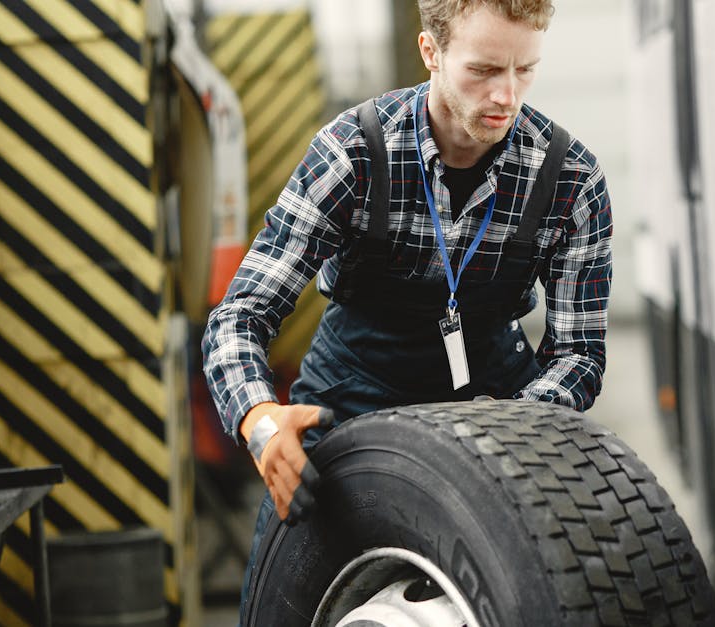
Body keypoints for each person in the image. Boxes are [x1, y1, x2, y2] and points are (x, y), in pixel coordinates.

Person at [201, 0, 612, 613]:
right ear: (431, 52)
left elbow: (578, 355)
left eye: (525, 70)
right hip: (351, 393)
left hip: (498, 399)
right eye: (483, 70)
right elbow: (238, 317)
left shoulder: (570, 180)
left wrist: (520, 423)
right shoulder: (352, 153)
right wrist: (260, 419)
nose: (506, 95)